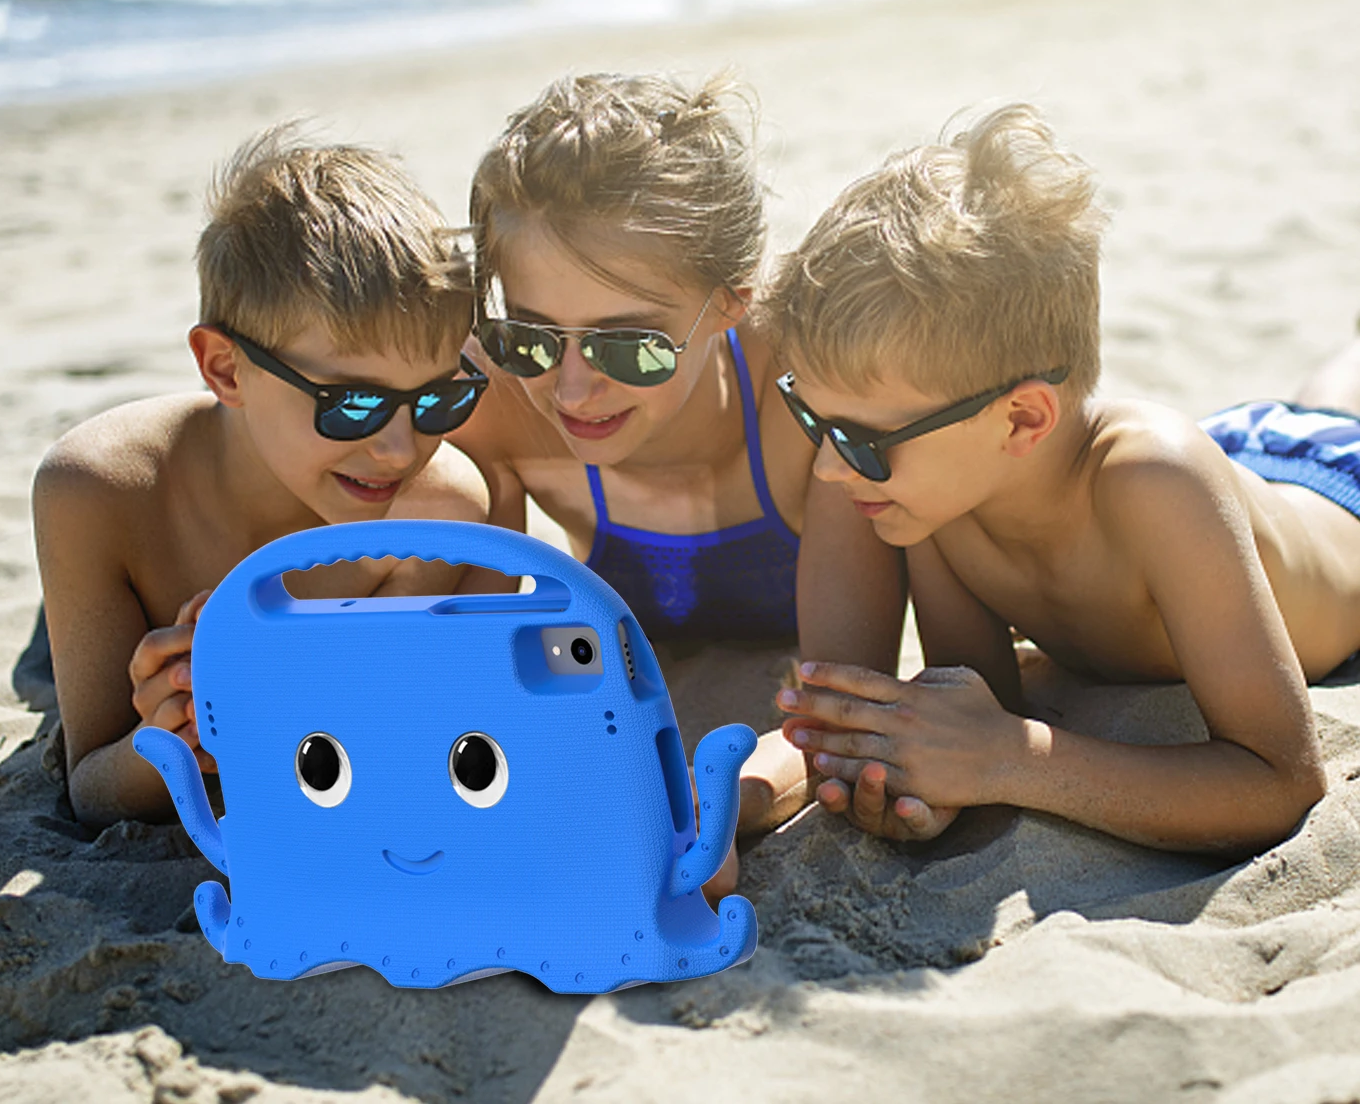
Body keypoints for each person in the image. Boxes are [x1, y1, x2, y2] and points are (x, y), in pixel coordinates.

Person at [761, 103, 1360, 855]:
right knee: (1318, 397)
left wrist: (1010, 760)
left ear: (1021, 420)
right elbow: (980, 714)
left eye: (862, 440)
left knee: (1333, 410)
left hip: (1335, 486)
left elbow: (1280, 781)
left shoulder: (1158, 484)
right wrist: (931, 781)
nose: (826, 466)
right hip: (1238, 455)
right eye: (812, 420)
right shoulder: (938, 507)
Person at [451, 72, 904, 839]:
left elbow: (843, 709)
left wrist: (711, 807)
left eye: (628, 344)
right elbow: (472, 672)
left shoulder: (806, 389)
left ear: (731, 301)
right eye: (530, 336)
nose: (571, 388)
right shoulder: (498, 397)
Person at [32, 130, 490, 830]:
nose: (401, 451)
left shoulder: (442, 511)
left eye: (437, 399)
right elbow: (89, 785)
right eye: (353, 405)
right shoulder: (98, 493)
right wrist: (171, 740)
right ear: (225, 369)